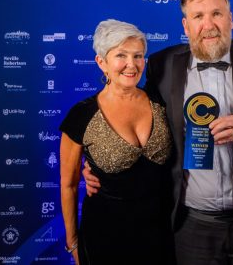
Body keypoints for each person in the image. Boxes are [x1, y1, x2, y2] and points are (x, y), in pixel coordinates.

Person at [85, 0, 233, 264]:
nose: (209, 24)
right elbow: (140, 126)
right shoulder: (161, 65)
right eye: (198, 16)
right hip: (191, 224)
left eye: (217, 13)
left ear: (231, 19)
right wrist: (100, 166)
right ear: (186, 26)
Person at [59, 19, 172, 265]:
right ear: (102, 63)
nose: (131, 65)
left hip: (162, 235)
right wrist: (73, 242)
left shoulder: (162, 102)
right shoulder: (82, 115)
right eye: (121, 55)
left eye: (138, 56)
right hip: (104, 239)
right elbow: (68, 185)